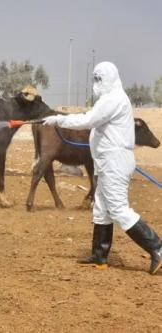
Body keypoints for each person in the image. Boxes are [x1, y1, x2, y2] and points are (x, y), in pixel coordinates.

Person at [43, 61, 162, 274]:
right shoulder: (109, 99)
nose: (96, 83)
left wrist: (58, 119)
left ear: (111, 78)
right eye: (95, 79)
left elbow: (88, 120)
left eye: (100, 79)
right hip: (105, 161)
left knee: (118, 208)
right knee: (101, 208)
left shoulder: (114, 99)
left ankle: (158, 248)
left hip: (114, 160)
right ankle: (100, 255)